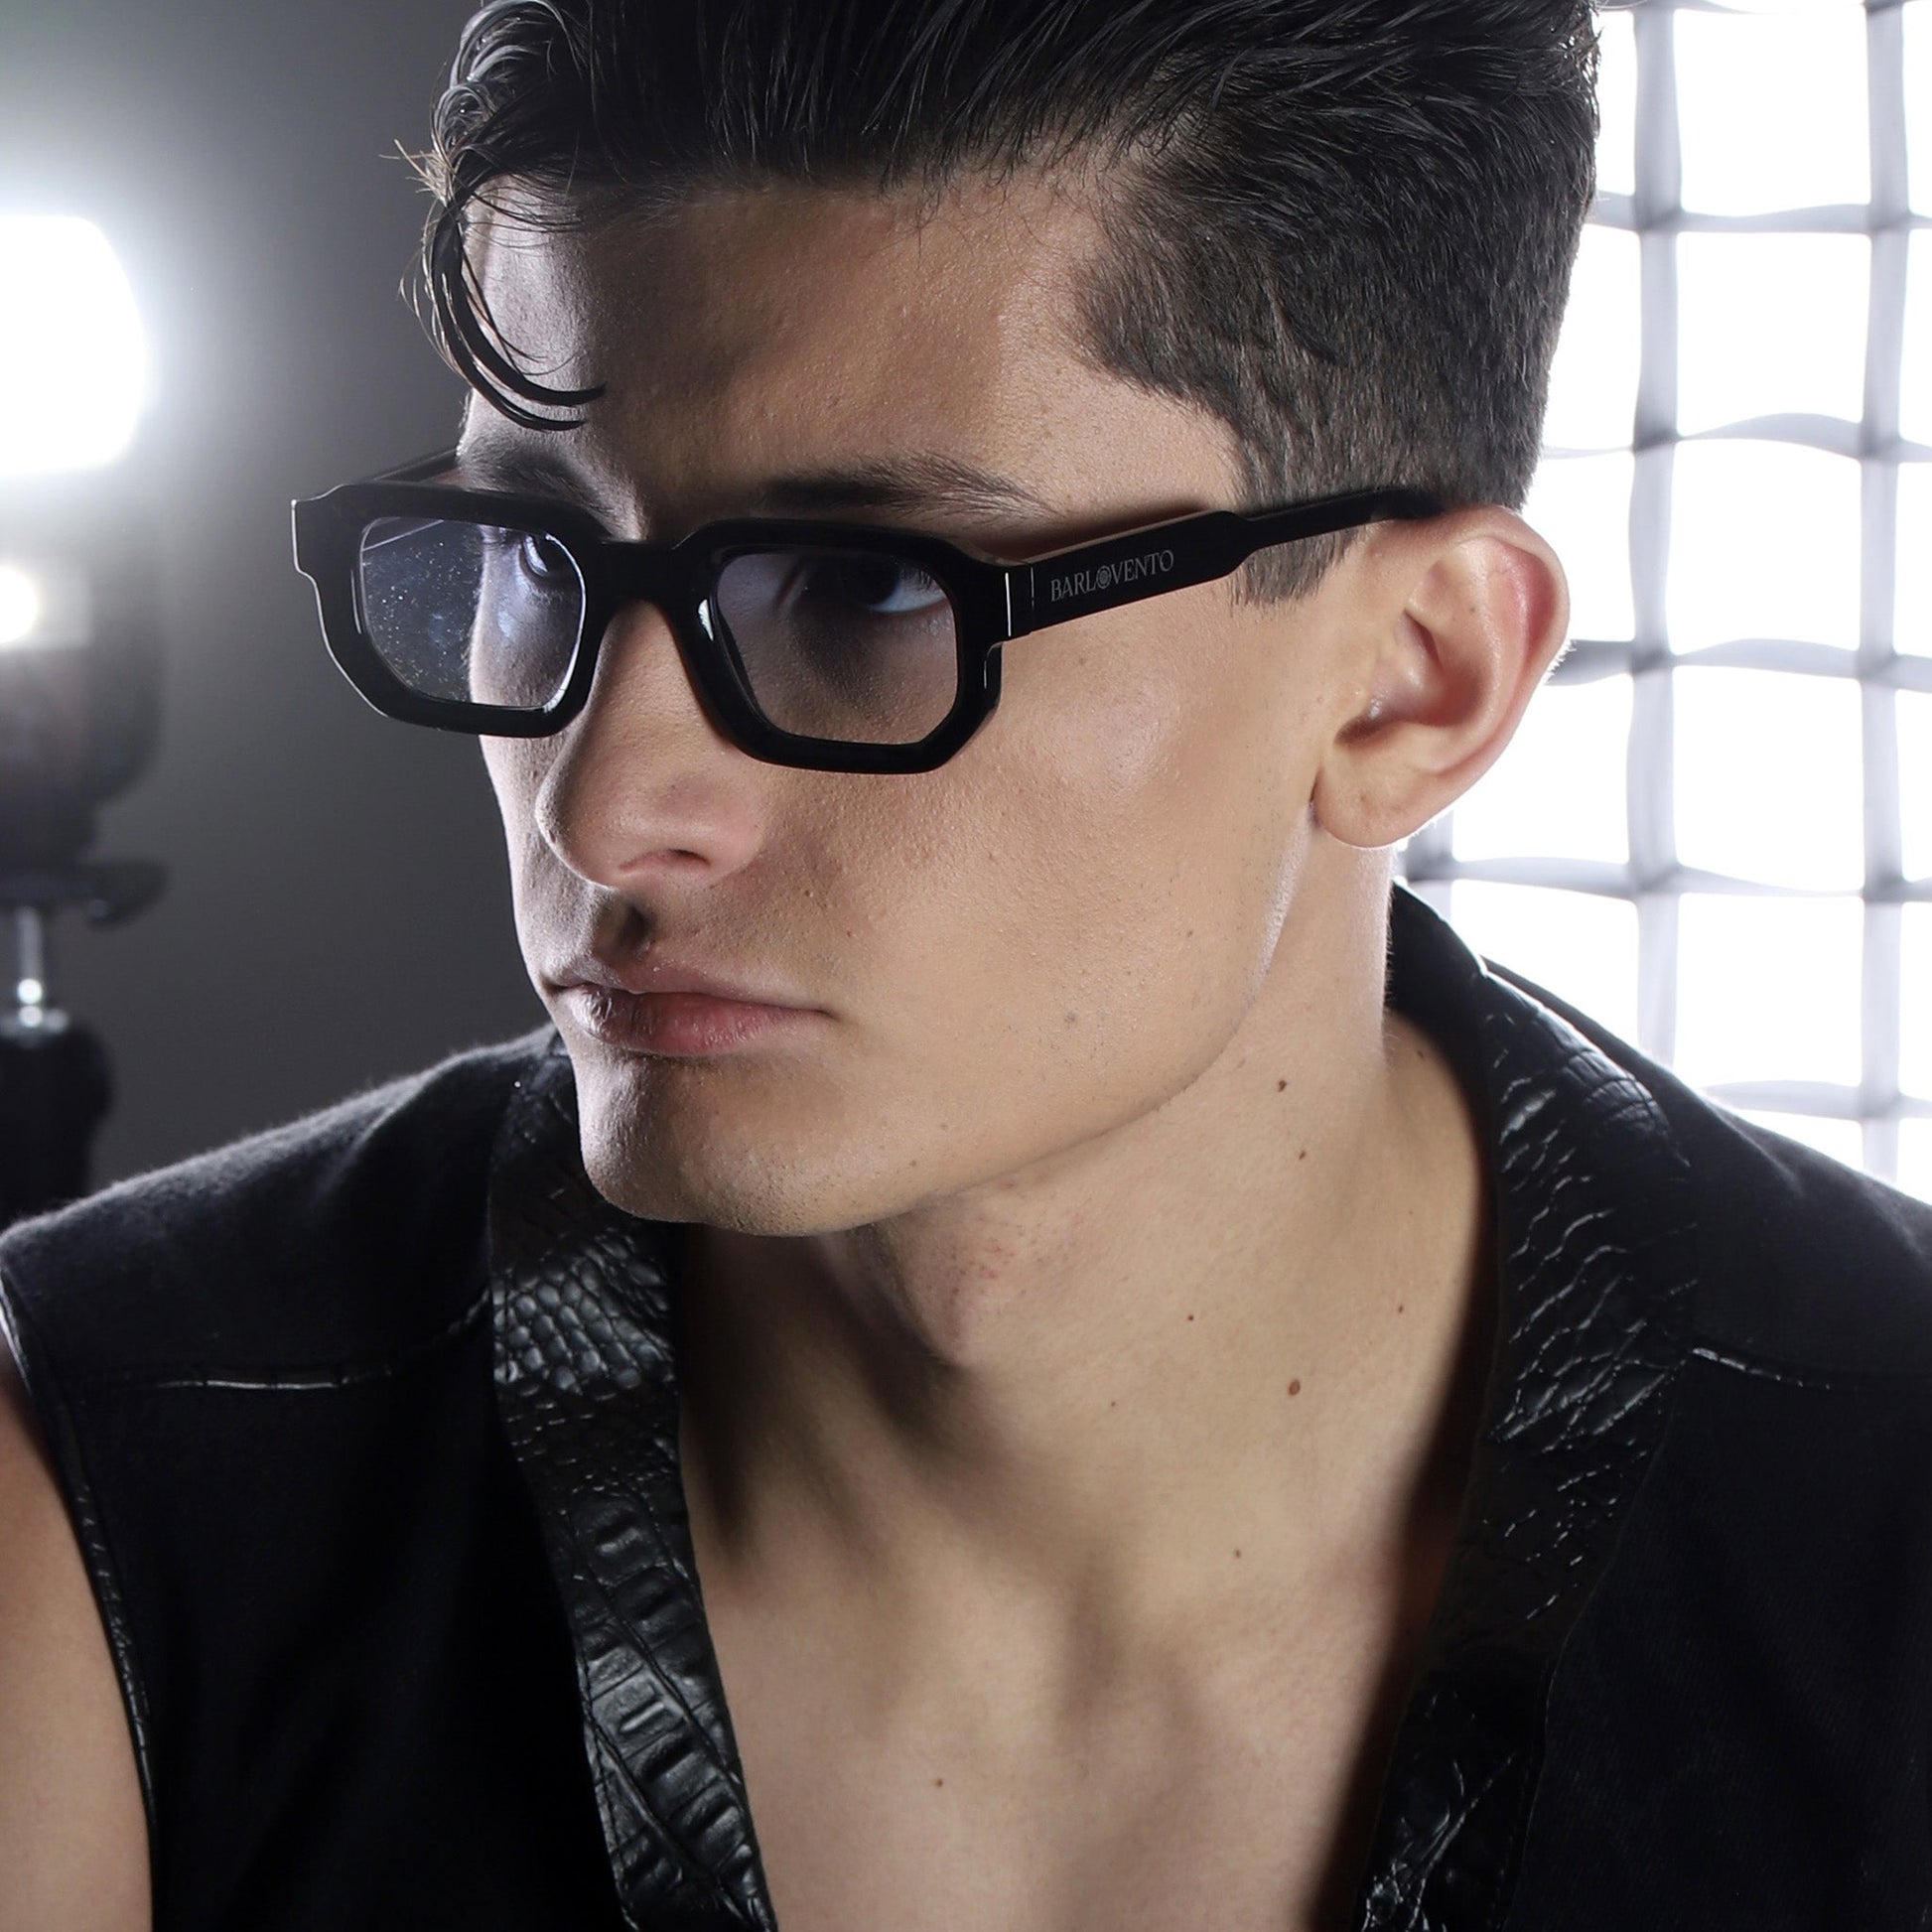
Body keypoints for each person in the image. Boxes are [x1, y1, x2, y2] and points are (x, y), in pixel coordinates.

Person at [4, 2, 1931, 1927]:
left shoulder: (1882, 1523)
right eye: (532, 547)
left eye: (864, 589)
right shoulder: (107, 1482)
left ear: (1411, 680)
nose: (604, 805)